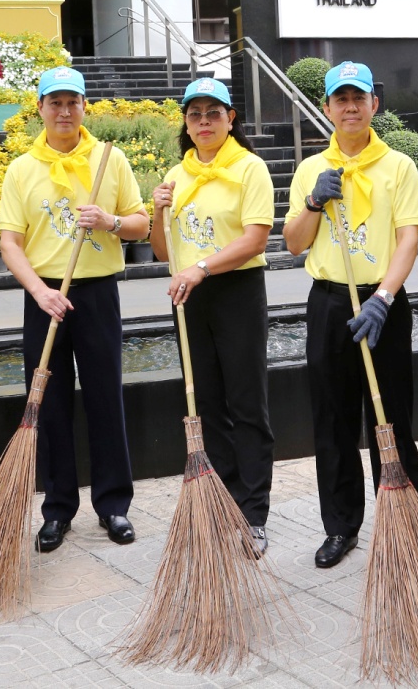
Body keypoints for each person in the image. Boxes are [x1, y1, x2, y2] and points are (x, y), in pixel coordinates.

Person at [283, 61, 418, 568]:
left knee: (392, 418)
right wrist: (313, 202)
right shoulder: (310, 168)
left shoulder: (399, 166)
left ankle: (407, 523)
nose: (350, 107)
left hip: (383, 303)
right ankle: (341, 526)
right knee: (333, 421)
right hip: (329, 302)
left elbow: (409, 238)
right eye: (340, 99)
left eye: (358, 98)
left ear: (374, 105)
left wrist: (383, 298)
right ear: (327, 108)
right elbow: (294, 243)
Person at [0, 66, 149, 552]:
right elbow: (10, 242)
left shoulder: (110, 159)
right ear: (40, 108)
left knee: (106, 397)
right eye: (55, 103)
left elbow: (142, 224)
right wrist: (39, 292)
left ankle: (113, 504)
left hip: (98, 291)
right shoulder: (22, 168)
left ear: (85, 107)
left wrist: (110, 221)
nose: (64, 111)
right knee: (50, 402)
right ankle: (58, 508)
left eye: (72, 102)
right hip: (44, 296)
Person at [149, 77, 276, 555]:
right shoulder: (175, 174)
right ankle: (223, 503)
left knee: (246, 403)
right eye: (195, 114)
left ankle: (254, 512)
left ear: (230, 119)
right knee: (205, 404)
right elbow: (163, 251)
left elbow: (255, 239)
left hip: (236, 289)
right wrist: (157, 211)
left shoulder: (249, 168)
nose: (204, 122)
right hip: (189, 293)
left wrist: (201, 268)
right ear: (186, 123)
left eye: (213, 113)